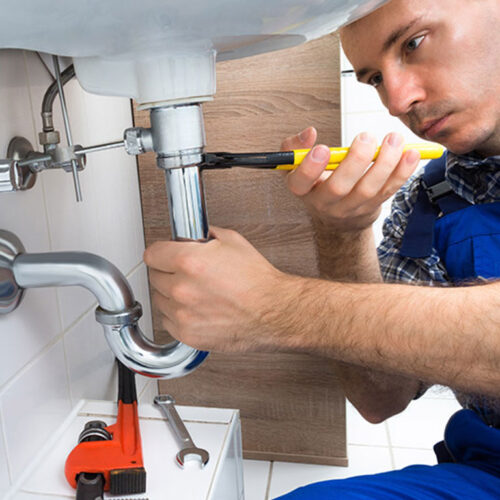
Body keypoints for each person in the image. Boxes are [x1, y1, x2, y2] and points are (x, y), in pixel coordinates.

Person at [144, 0, 500, 497]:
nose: (397, 101)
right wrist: (343, 231)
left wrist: (274, 306)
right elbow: (381, 398)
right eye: (375, 79)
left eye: (413, 43)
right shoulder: (429, 200)